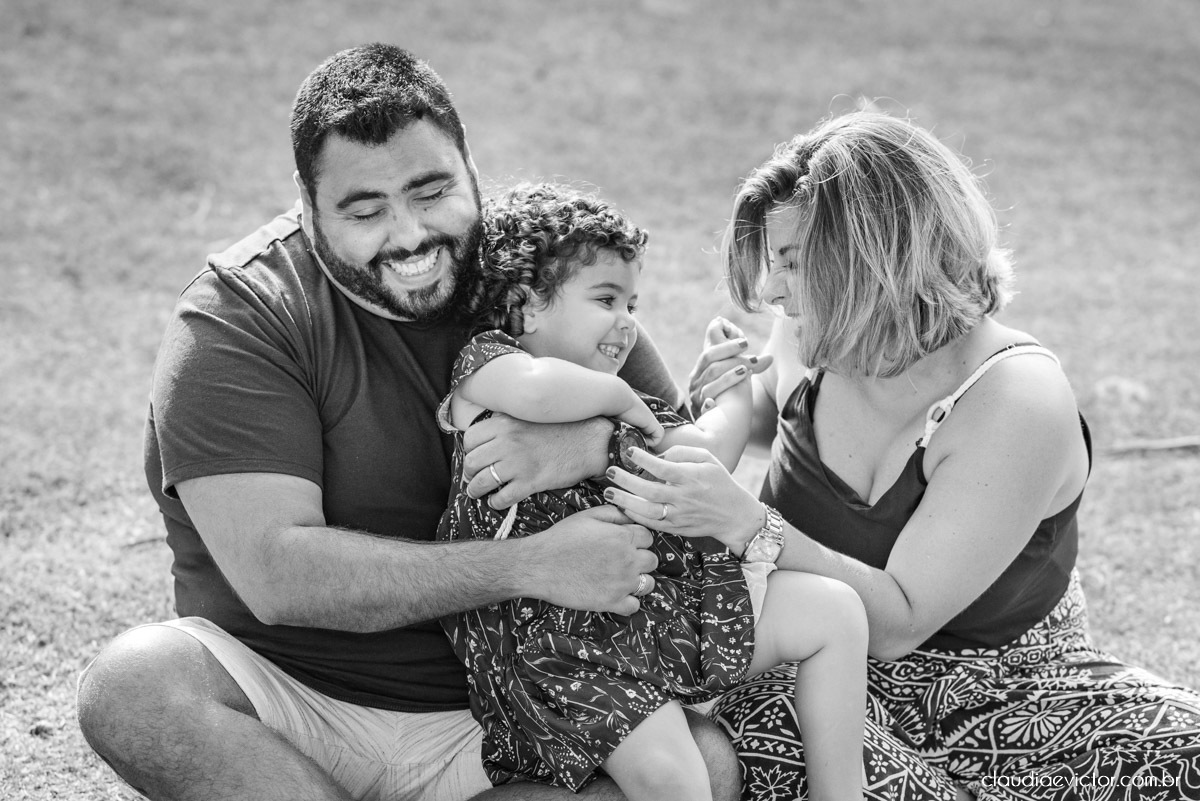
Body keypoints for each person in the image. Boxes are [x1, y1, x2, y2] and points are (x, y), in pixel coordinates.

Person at [74, 44, 743, 801]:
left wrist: (589, 443)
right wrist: (527, 562)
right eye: (364, 210)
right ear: (306, 201)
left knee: (705, 763)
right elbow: (277, 572)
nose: (410, 235)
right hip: (292, 700)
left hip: (503, 712)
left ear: (471, 167)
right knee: (135, 686)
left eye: (432, 192)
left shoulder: (540, 275)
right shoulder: (238, 318)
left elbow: (688, 470)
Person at [602, 111, 1200, 800]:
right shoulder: (810, 336)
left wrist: (748, 524)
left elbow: (902, 620)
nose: (770, 291)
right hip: (824, 670)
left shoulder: (1015, 399)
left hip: (1012, 697)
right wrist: (731, 403)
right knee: (773, 735)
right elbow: (775, 415)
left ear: (875, 259)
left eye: (793, 263)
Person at [440, 182, 868, 801]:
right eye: (607, 299)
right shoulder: (490, 367)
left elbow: (699, 457)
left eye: (633, 305)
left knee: (835, 610)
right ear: (525, 305)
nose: (628, 325)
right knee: (679, 779)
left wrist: (734, 394)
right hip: (560, 655)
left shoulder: (620, 405)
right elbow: (535, 393)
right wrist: (621, 399)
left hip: (651, 618)